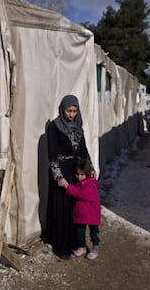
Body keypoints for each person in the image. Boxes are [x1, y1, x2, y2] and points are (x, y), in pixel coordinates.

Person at [45, 94, 93, 260]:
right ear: (62, 109)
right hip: (61, 173)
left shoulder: (78, 126)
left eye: (74, 111)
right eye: (69, 111)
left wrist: (90, 168)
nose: (71, 114)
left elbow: (83, 151)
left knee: (74, 210)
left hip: (75, 173)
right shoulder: (54, 126)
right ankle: (61, 246)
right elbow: (52, 155)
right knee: (62, 209)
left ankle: (74, 242)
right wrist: (59, 177)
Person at [60, 159, 101, 260]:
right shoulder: (81, 183)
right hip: (82, 214)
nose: (79, 177)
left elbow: (81, 194)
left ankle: (95, 248)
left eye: (82, 174)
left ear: (86, 174)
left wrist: (68, 187)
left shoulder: (90, 184)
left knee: (93, 233)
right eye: (77, 174)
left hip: (92, 214)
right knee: (80, 232)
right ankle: (82, 246)